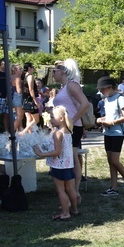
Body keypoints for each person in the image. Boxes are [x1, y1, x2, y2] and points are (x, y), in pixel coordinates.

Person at [51, 59, 89, 198]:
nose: (53, 73)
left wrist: (72, 120)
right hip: (69, 128)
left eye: (55, 71)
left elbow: (85, 104)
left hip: (72, 128)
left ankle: (75, 191)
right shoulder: (65, 86)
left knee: (72, 157)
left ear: (62, 71)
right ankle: (73, 191)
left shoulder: (72, 85)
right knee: (70, 158)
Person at [33, 105, 79, 221]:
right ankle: (74, 209)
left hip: (59, 166)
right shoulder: (68, 131)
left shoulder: (58, 133)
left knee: (61, 190)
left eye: (53, 117)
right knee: (70, 189)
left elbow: (57, 151)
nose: (50, 120)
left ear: (61, 118)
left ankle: (65, 212)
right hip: (68, 165)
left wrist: (41, 154)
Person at [95, 77, 124, 196]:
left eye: (103, 89)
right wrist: (102, 120)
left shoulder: (120, 98)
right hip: (108, 132)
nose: (101, 92)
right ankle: (113, 187)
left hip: (117, 133)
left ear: (110, 87)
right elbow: (110, 115)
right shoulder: (106, 99)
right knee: (110, 161)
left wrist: (111, 123)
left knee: (114, 160)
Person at [22, 62, 40, 132]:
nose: (34, 69)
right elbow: (31, 89)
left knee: (29, 119)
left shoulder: (24, 76)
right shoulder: (30, 76)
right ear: (29, 68)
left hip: (25, 99)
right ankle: (23, 132)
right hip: (30, 100)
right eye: (33, 67)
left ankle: (29, 136)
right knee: (36, 119)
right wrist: (35, 101)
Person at [10, 64, 24, 132]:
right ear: (15, 70)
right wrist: (24, 92)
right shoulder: (17, 78)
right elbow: (19, 90)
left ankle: (20, 132)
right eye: (20, 69)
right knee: (19, 117)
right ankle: (12, 133)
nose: (22, 70)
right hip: (17, 96)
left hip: (13, 96)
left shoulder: (11, 77)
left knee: (18, 117)